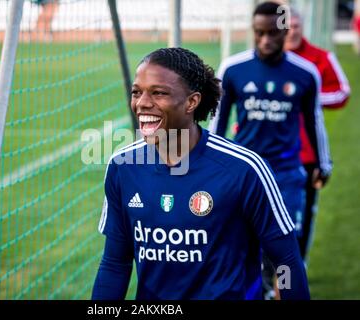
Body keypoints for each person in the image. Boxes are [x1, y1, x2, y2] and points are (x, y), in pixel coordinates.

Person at [91, 47, 310, 300]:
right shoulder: (122, 166)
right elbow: (115, 263)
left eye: (158, 93)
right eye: (136, 92)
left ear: (191, 102)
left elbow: (287, 259)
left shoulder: (245, 168)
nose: (142, 103)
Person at [209, 1, 331, 299]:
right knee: (245, 245)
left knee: (286, 250)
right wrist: (212, 166)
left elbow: (314, 120)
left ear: (286, 31)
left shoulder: (305, 73)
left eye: (273, 34)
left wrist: (322, 163)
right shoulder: (234, 69)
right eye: (259, 33)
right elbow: (217, 126)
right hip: (246, 175)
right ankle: (258, 292)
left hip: (287, 174)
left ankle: (284, 293)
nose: (266, 40)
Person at [284, 9, 351, 261]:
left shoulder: (319, 59)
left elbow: (343, 92)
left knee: (301, 217)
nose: (292, 30)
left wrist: (309, 100)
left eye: (296, 25)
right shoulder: (264, 63)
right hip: (265, 153)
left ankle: (295, 272)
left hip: (305, 154)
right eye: (287, 26)